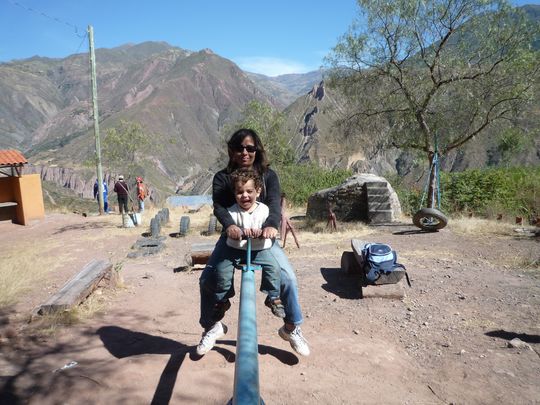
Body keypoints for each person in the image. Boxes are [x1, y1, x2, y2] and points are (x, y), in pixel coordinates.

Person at [197, 128, 310, 357]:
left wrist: (270, 227)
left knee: (287, 278)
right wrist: (230, 226)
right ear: (231, 150)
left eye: (250, 148)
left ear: (257, 150)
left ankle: (291, 327)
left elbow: (274, 206)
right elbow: (219, 207)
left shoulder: (268, 176)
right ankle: (212, 325)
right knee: (207, 278)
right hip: (232, 239)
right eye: (239, 148)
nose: (245, 152)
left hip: (263, 239)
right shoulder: (222, 177)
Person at [214, 168, 285, 319]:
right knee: (221, 270)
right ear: (234, 194)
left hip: (259, 249)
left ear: (258, 191)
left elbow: (271, 223)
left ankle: (273, 296)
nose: (244, 195)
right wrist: (235, 231)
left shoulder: (264, 210)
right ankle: (223, 299)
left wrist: (266, 231)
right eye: (240, 192)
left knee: (274, 267)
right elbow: (229, 226)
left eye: (249, 191)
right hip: (235, 249)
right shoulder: (232, 212)